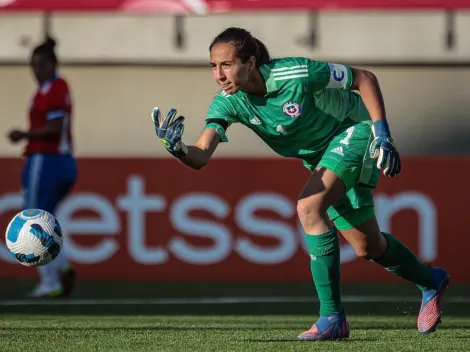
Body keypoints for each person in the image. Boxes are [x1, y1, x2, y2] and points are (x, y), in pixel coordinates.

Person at [151, 27, 450, 339]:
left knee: (309, 207)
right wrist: (178, 148)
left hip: (354, 130)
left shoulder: (296, 72)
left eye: (226, 65)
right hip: (323, 158)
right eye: (213, 66)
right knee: (367, 246)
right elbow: (200, 157)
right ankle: (431, 280)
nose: (219, 74)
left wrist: (382, 133)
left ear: (251, 63)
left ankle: (332, 318)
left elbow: (364, 78)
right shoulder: (227, 103)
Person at [6, 37, 77, 298]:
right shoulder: (52, 88)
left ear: (51, 64)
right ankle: (62, 265)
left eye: (40, 65)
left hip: (46, 160)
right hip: (63, 161)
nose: (35, 71)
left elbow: (55, 126)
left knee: (31, 219)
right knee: (46, 220)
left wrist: (24, 134)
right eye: (32, 65)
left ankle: (50, 279)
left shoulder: (53, 88)